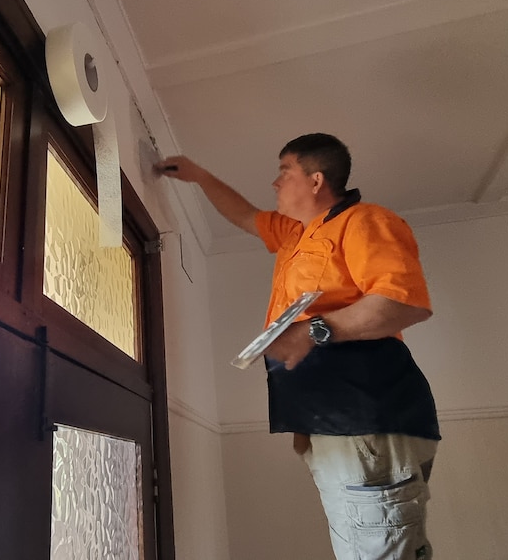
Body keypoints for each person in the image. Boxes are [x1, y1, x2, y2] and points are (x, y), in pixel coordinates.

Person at [155, 133, 441, 560]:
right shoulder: (295, 235)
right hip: (330, 421)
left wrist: (313, 331)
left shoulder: (364, 220)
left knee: (378, 546)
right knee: (361, 546)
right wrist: (198, 176)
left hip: (364, 418)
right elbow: (245, 215)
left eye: (284, 171)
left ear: (315, 181)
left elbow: (402, 303)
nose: (274, 183)